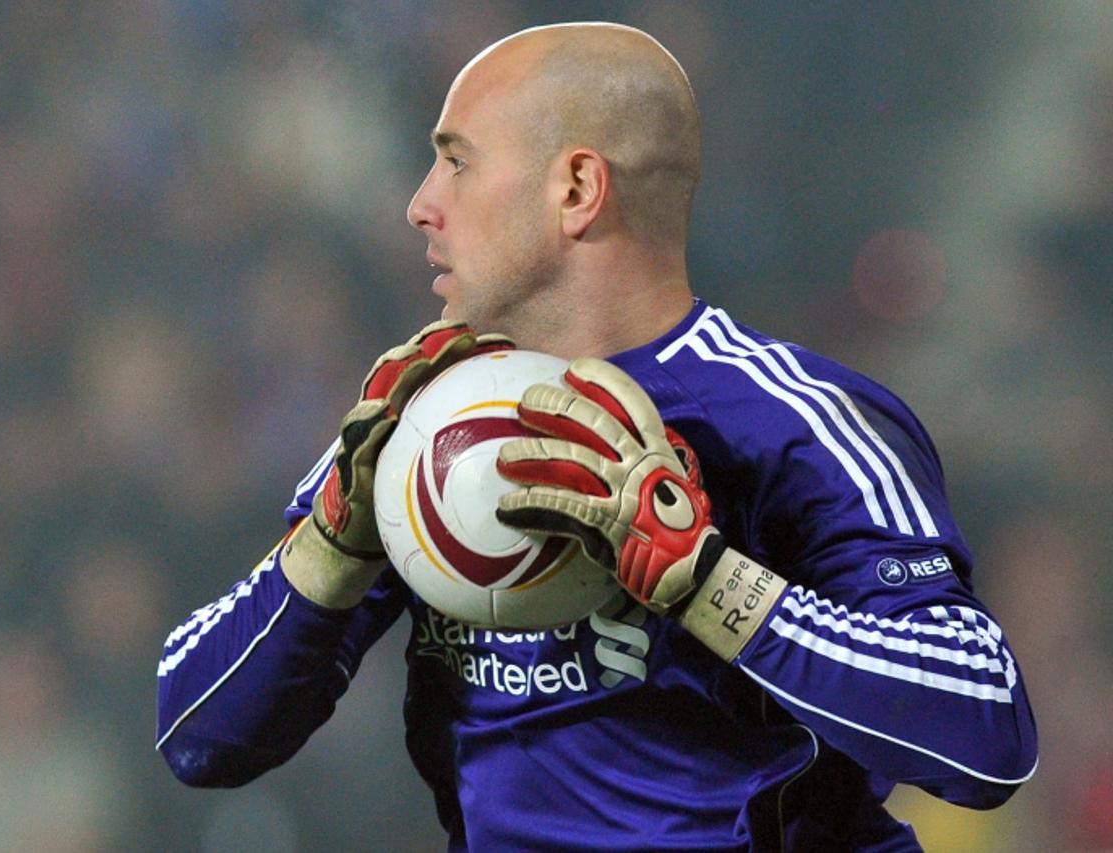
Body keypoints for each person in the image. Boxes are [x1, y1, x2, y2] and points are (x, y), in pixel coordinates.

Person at [156, 22, 1037, 851]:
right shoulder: (431, 422)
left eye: (456, 162)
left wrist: (709, 583)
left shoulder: (792, 423)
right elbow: (196, 734)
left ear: (577, 189)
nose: (421, 206)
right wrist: (327, 553)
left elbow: (987, 731)